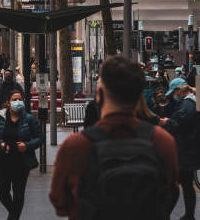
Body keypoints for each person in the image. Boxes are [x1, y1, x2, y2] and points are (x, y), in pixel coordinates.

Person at [49, 56, 178, 220]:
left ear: (99, 95)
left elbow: (60, 203)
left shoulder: (76, 146)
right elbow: (170, 193)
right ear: (138, 95)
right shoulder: (162, 141)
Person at [0, 89, 42, 219]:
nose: (17, 102)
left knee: (18, 193)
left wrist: (26, 145)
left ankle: (13, 217)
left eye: (20, 99)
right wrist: (0, 143)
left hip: (22, 162)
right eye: (14, 100)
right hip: (3, 161)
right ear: (8, 103)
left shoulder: (29, 119)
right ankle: (14, 214)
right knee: (2, 192)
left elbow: (39, 138)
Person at [160, 79, 199, 220]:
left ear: (180, 90)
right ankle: (189, 215)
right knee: (187, 184)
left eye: (174, 93)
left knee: (175, 184)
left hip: (185, 150)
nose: (173, 96)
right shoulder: (193, 101)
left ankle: (165, 215)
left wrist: (167, 122)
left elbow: (180, 124)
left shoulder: (188, 104)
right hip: (189, 149)